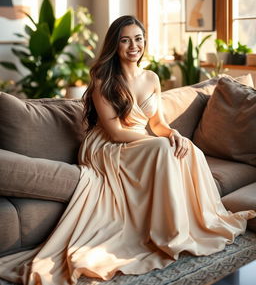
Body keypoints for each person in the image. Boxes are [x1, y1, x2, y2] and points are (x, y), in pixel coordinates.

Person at [0, 15, 255, 285]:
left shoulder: (152, 78)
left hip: (140, 140)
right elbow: (116, 132)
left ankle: (188, 225)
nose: (133, 45)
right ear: (115, 44)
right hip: (107, 146)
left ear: (144, 42)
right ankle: (166, 234)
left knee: (188, 149)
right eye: (125, 40)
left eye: (138, 39)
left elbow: (157, 124)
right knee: (160, 148)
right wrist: (158, 141)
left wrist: (175, 135)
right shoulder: (103, 79)